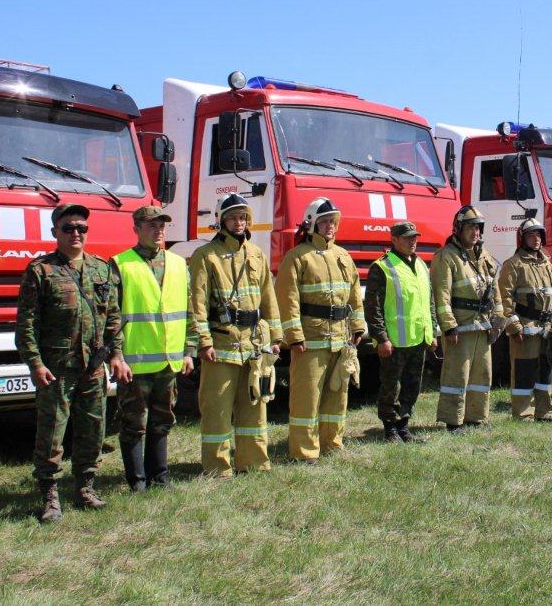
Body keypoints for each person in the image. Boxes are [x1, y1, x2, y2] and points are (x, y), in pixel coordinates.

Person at [16, 204, 127, 523]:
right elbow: (26, 323)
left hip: (93, 366)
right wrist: (35, 364)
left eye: (82, 228)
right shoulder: (41, 271)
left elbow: (112, 317)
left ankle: (85, 486)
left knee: (93, 428)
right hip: (57, 368)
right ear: (55, 232)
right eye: (68, 228)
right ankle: (50, 493)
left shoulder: (101, 268)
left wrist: (116, 355)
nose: (76, 233)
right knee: (52, 432)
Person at [190, 194, 282, 475]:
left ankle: (253, 462)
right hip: (222, 344)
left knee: (255, 404)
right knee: (217, 408)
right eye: (232, 217)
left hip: (254, 344)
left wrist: (276, 337)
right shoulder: (205, 256)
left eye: (242, 217)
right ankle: (218, 467)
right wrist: (204, 342)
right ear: (220, 221)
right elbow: (197, 303)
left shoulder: (256, 254)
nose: (239, 223)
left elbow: (269, 297)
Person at [110, 206, 197, 491]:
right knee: (133, 423)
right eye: (151, 225)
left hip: (168, 363)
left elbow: (189, 310)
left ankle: (159, 477)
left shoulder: (177, 263)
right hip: (134, 364)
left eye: (162, 224)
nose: (158, 229)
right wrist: (116, 356)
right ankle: (137, 481)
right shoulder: (120, 264)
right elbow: (110, 317)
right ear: (136, 228)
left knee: (162, 420)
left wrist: (188, 350)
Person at [276, 197, 364, 461]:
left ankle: (332, 443)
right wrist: (293, 336)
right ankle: (304, 451)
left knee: (337, 396)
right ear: (311, 224)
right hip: (310, 338)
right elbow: (287, 299)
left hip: (340, 338)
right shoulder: (296, 258)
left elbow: (354, 296)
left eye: (333, 222)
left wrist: (358, 326)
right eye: (324, 221)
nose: (330, 226)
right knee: (306, 397)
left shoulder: (343, 256)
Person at [431, 205, 503, 432]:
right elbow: (441, 296)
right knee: (457, 374)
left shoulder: (485, 257)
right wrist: (449, 327)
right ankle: (453, 421)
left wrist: (499, 317)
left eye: (478, 228)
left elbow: (495, 290)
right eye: (471, 228)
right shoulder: (446, 257)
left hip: (483, 326)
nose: (475, 233)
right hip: (461, 327)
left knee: (482, 374)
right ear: (459, 229)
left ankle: (477, 417)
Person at [364, 221, 438, 441]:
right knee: (391, 387)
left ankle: (404, 426)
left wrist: (432, 332)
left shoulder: (422, 265)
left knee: (412, 386)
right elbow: (373, 307)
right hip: (394, 341)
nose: (412, 241)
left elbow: (429, 302)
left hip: (418, 338)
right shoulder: (382, 267)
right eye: (407, 238)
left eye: (414, 237)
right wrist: (381, 338)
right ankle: (390, 429)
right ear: (394, 240)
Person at [498, 219, 552, 420]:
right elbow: (504, 298)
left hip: (546, 329)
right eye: (531, 236)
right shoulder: (513, 265)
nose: (536, 240)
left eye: (538, 236)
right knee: (524, 372)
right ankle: (523, 414)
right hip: (525, 329)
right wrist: (514, 327)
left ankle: (545, 411)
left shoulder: (547, 264)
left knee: (545, 371)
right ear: (522, 239)